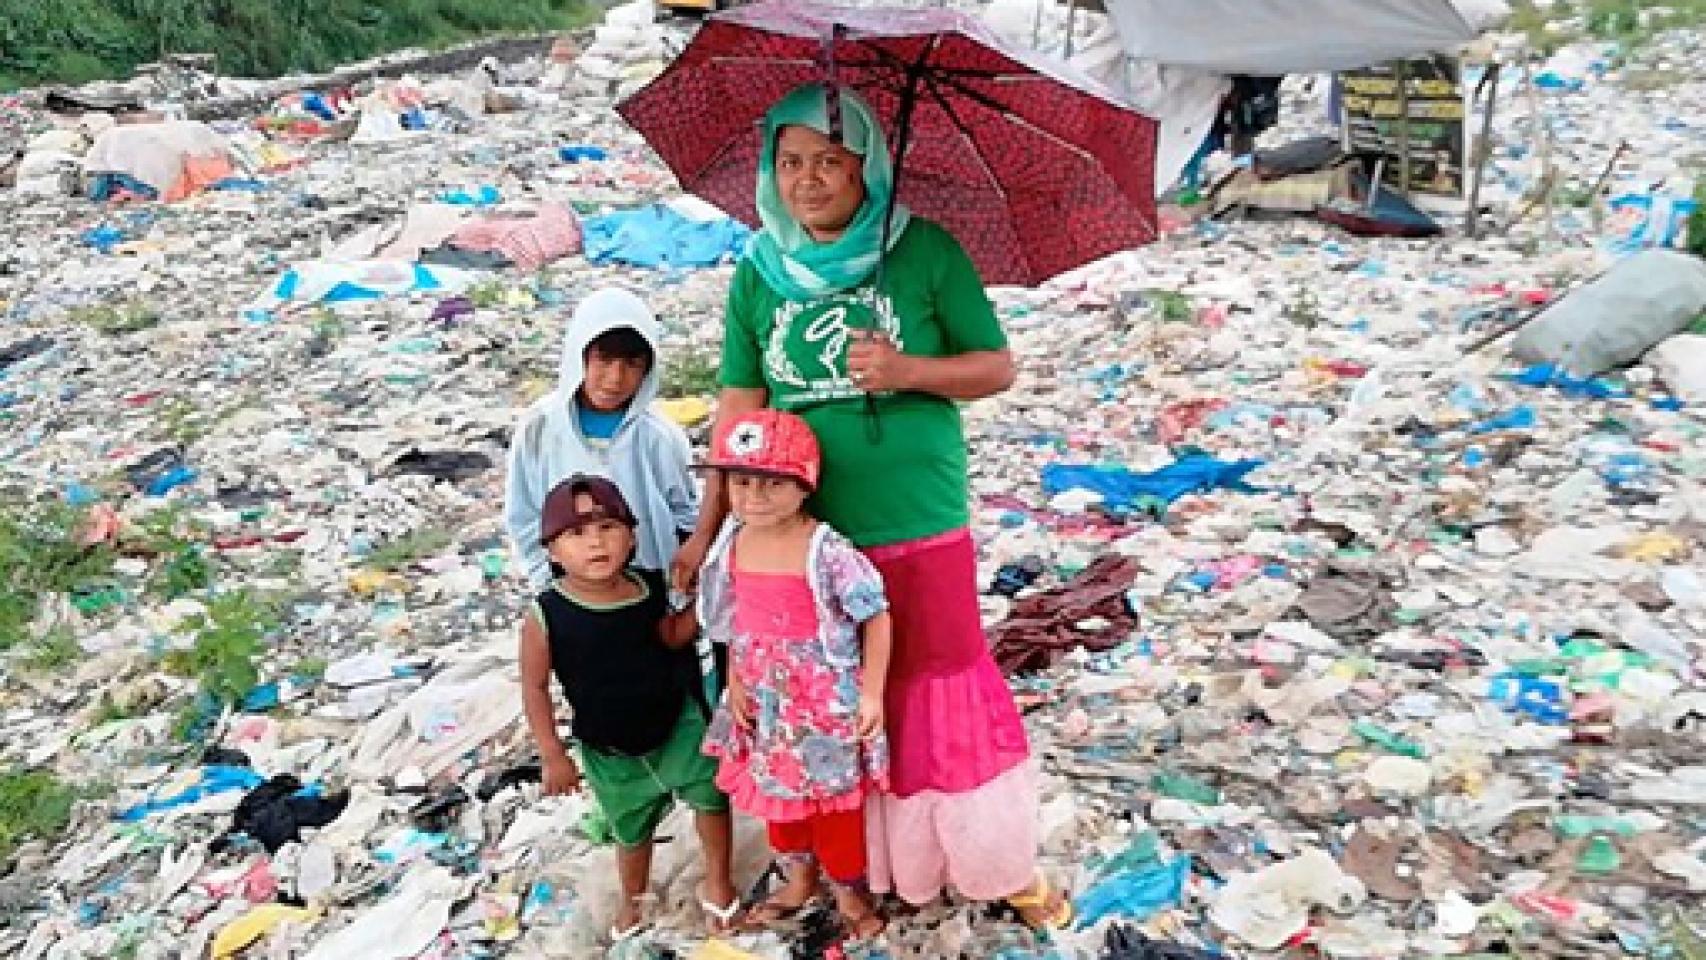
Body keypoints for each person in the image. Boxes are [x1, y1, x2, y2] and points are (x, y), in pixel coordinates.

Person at [676, 83, 1072, 928]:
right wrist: (709, 532)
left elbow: (995, 367)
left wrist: (909, 373)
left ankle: (990, 864)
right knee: (828, 697)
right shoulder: (757, 274)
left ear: (870, 166)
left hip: (918, 515)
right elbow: (738, 410)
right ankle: (869, 868)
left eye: (829, 160)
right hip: (799, 535)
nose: (808, 181)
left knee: (937, 681)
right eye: (790, 163)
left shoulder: (924, 251)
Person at [693, 409, 892, 939]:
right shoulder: (733, 543)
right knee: (777, 799)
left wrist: (871, 695)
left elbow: (876, 616)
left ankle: (849, 892)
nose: (755, 496)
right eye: (743, 482)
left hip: (821, 700)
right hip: (762, 699)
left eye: (772, 483)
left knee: (833, 803)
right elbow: (735, 624)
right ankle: (799, 879)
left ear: (804, 485)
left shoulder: (824, 549)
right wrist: (735, 681)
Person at [517, 475, 740, 939]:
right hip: (610, 749)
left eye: (608, 527)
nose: (596, 542)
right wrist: (553, 754)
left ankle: (719, 883)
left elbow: (669, 636)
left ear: (633, 535)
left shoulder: (649, 587)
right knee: (631, 832)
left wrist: (703, 607)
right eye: (576, 534)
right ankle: (634, 900)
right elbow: (535, 687)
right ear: (552, 551)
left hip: (679, 726)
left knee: (712, 804)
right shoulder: (547, 615)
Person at [504, 286, 698, 592]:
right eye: (603, 361)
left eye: (632, 365)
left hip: (650, 590)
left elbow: (686, 516)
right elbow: (524, 514)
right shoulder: (540, 428)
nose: (615, 378)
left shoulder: (659, 436)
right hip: (572, 593)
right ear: (578, 356)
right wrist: (545, 585)